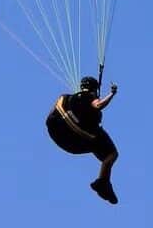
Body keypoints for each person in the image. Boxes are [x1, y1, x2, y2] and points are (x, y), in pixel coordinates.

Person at [46, 76, 120, 204]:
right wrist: (112, 94)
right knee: (112, 154)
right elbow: (98, 105)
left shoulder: (68, 97)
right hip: (78, 139)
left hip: (58, 133)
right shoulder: (90, 97)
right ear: (94, 89)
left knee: (95, 135)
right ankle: (103, 182)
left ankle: (103, 183)